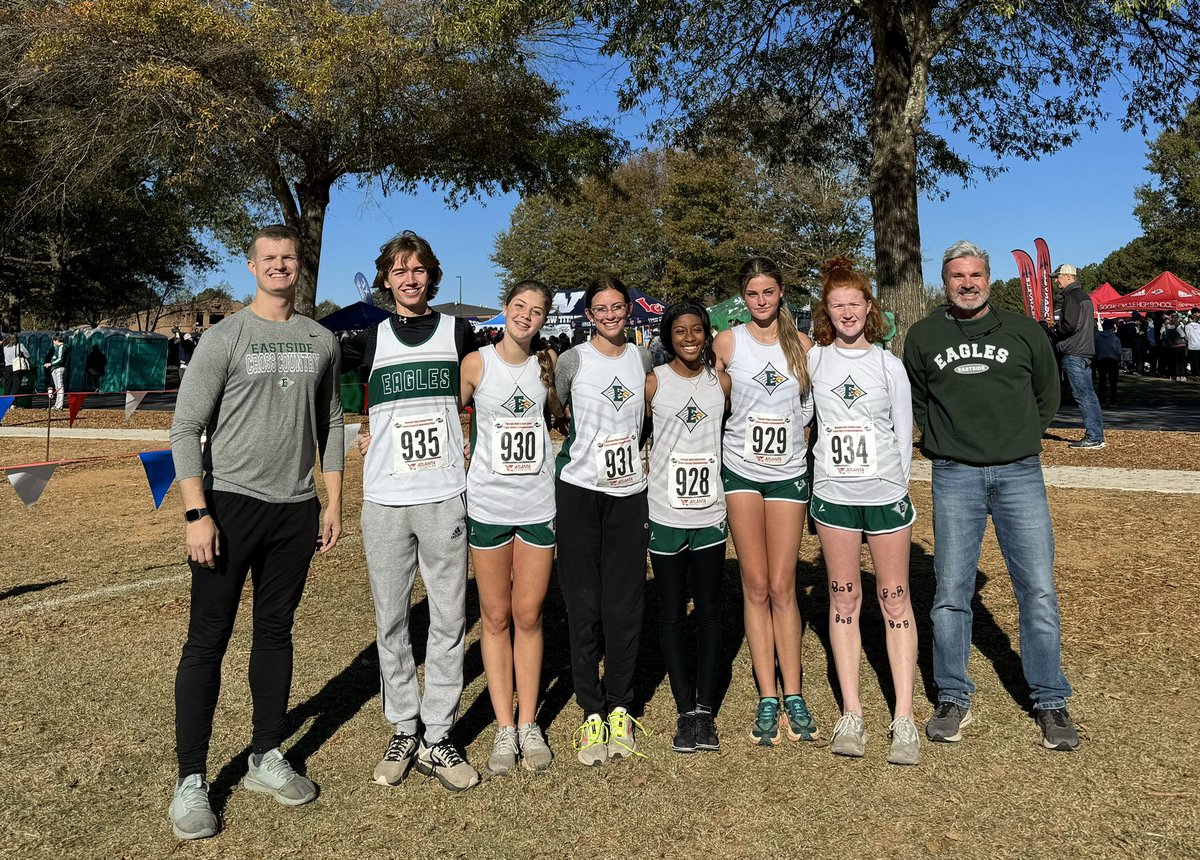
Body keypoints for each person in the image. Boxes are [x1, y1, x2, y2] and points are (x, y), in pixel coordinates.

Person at [167, 224, 345, 840]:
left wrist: (333, 501)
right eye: (269, 258)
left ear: (300, 265)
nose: (279, 266)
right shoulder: (225, 337)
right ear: (251, 267)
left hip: (295, 510)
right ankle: (191, 779)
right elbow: (184, 428)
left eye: (288, 257)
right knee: (207, 640)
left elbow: (331, 421)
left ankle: (266, 754)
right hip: (228, 507)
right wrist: (197, 513)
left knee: (275, 633)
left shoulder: (321, 339)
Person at [903, 240, 1080, 753]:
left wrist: (1020, 436)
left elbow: (1047, 393)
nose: (967, 283)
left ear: (988, 277)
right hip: (954, 474)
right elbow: (917, 398)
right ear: (945, 282)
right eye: (957, 276)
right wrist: (945, 439)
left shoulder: (1023, 331)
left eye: (975, 275)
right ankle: (952, 695)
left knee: (1038, 591)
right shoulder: (924, 335)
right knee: (950, 593)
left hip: (1019, 473)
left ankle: (1050, 698)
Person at [352, 231, 481, 793]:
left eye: (419, 269)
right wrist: (365, 432)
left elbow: (488, 391)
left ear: (432, 275)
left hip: (443, 493)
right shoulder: (369, 338)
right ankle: (404, 726)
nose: (410, 278)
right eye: (400, 270)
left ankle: (438, 734)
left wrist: (476, 437)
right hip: (384, 499)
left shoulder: (459, 332)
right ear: (386, 279)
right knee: (392, 620)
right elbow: (354, 406)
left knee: (450, 619)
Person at [808, 257, 919, 766]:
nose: (848, 313)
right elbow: (801, 415)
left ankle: (904, 717)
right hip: (834, 497)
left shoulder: (888, 365)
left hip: (884, 497)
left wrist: (895, 486)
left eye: (855, 304)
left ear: (869, 308)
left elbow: (903, 431)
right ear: (826, 311)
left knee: (895, 601)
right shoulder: (814, 360)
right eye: (838, 306)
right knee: (843, 598)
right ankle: (851, 713)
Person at [714, 257, 818, 747]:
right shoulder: (727, 342)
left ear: (781, 293)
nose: (761, 301)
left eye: (769, 292)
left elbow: (808, 408)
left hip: (787, 475)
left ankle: (793, 691)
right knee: (754, 586)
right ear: (744, 297)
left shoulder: (803, 345)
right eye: (753, 293)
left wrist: (792, 437)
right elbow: (712, 400)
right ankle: (767, 695)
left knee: (783, 585)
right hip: (741, 473)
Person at [459, 280, 560, 776]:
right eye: (519, 306)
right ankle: (504, 726)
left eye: (536, 311)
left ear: (544, 319)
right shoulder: (476, 363)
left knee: (529, 614)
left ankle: (528, 722)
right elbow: (440, 416)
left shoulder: (549, 364)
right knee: (495, 617)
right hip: (489, 505)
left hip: (538, 504)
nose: (526, 316)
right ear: (505, 309)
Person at [554, 275, 654, 766]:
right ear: (589, 314)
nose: (611, 315)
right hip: (579, 491)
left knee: (624, 602)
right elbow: (558, 408)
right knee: (583, 602)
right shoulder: (572, 360)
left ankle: (620, 706)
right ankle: (590, 709)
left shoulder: (643, 358)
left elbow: (648, 417)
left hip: (629, 493)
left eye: (618, 306)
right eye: (601, 308)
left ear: (628, 310)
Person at [645, 301, 731, 754]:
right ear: (668, 337)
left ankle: (705, 708)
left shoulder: (722, 383)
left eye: (697, 330)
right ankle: (684, 710)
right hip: (665, 514)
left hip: (710, 515)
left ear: (707, 333)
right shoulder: (654, 382)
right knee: (672, 612)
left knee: (711, 611)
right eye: (680, 331)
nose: (690, 338)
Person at [1052, 264, 1104, 449]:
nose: (1056, 281)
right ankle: (1096, 435)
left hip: (1073, 350)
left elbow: (1069, 325)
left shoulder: (1072, 297)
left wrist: (1053, 331)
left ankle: (1094, 437)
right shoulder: (1083, 296)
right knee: (1089, 395)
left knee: (1083, 396)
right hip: (1084, 350)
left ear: (1068, 277)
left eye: (1058, 277)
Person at [1093, 320, 1122, 407]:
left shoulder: (1097, 337)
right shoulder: (1115, 338)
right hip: (1112, 360)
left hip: (1101, 359)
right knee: (1113, 382)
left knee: (1102, 381)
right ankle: (1113, 401)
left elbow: (1095, 349)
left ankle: (1102, 400)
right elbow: (1118, 351)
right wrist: (1118, 359)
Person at [44, 333, 67, 410]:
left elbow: (60, 359)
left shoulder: (62, 347)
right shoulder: (58, 348)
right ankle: (57, 404)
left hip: (58, 368)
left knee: (60, 387)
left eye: (54, 341)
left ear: (57, 340)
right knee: (57, 387)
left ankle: (59, 405)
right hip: (54, 368)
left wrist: (51, 364)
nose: (53, 342)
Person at [1186, 309, 1200, 379]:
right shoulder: (1199, 325)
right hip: (1199, 345)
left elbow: (1187, 337)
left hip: (1191, 346)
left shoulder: (1187, 326)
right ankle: (1199, 374)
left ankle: (1194, 374)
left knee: (1193, 361)